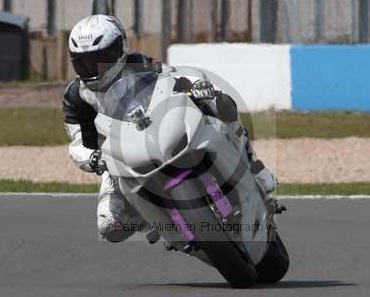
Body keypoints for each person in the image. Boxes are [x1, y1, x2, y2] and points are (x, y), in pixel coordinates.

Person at [62, 14, 278, 242]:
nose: (93, 68)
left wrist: (198, 87)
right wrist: (93, 158)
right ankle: (158, 222)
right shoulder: (75, 97)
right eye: (84, 62)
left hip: (157, 129)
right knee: (109, 225)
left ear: (119, 49)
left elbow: (172, 76)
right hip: (117, 156)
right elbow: (77, 143)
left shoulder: (139, 64)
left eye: (100, 58)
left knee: (221, 103)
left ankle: (254, 167)